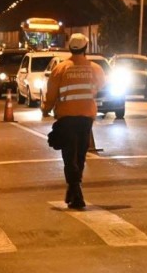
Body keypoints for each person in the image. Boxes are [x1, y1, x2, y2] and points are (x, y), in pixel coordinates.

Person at [41, 33, 106, 209]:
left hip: (66, 118)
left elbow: (51, 94)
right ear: (86, 48)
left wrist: (45, 109)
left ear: (70, 48)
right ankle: (74, 189)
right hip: (86, 119)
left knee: (69, 157)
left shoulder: (60, 69)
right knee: (80, 155)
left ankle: (75, 190)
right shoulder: (95, 69)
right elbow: (101, 87)